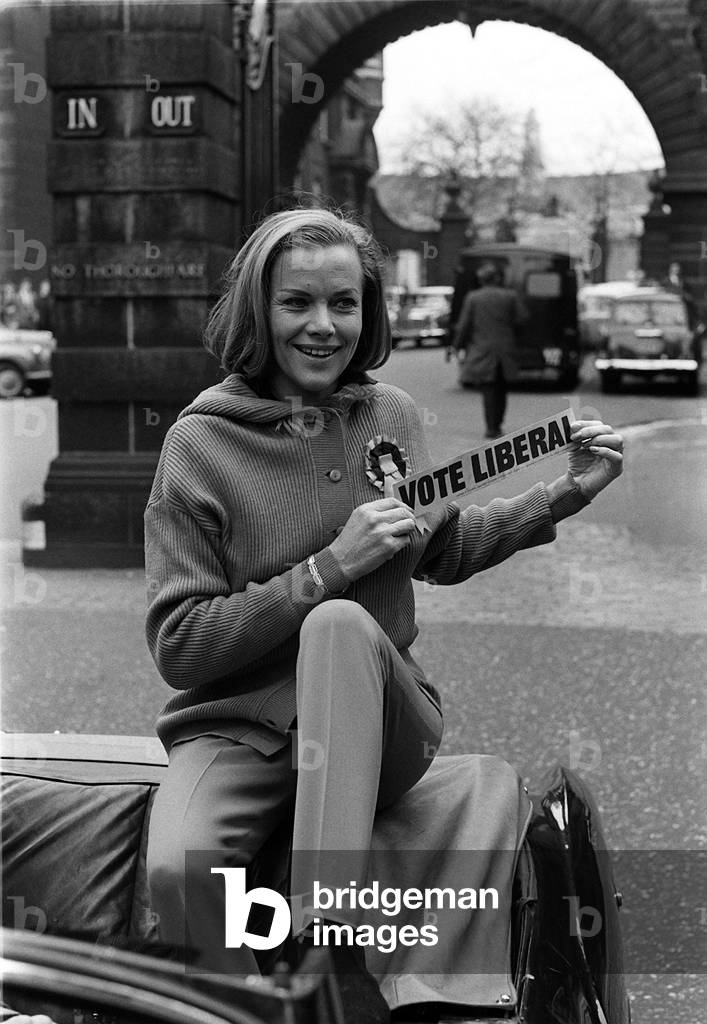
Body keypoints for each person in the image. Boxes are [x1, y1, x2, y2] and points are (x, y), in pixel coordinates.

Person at [144, 207, 624, 1023]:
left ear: (367, 311)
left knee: (338, 626)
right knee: (177, 869)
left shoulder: (391, 415)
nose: (323, 326)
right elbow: (181, 648)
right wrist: (326, 569)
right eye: (297, 303)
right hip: (239, 731)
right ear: (257, 310)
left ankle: (325, 941)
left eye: (344, 303)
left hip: (383, 719)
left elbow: (439, 544)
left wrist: (562, 494)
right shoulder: (197, 445)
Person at [452, 261, 528, 439]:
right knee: (502, 389)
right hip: (505, 349)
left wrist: (456, 346)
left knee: (488, 389)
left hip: (482, 350)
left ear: (482, 280)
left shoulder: (473, 298)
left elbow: (464, 326)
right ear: (497, 278)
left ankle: (491, 427)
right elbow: (522, 318)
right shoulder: (510, 296)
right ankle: (497, 424)